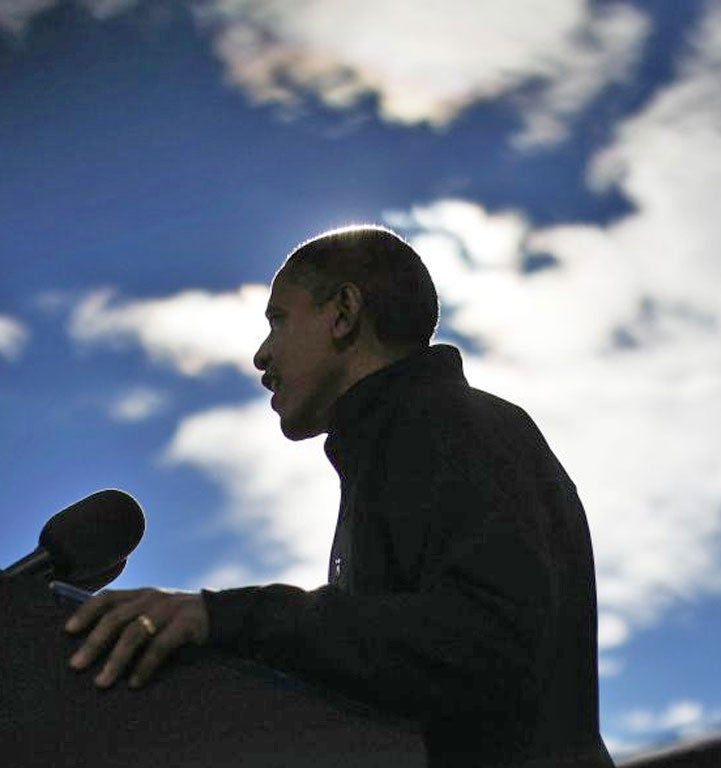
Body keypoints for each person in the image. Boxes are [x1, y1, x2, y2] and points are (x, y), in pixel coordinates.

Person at [65, 226, 614, 768]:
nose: (261, 355)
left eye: (278, 320)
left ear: (344, 313)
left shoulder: (445, 423)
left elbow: (487, 645)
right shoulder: (403, 441)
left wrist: (226, 619)